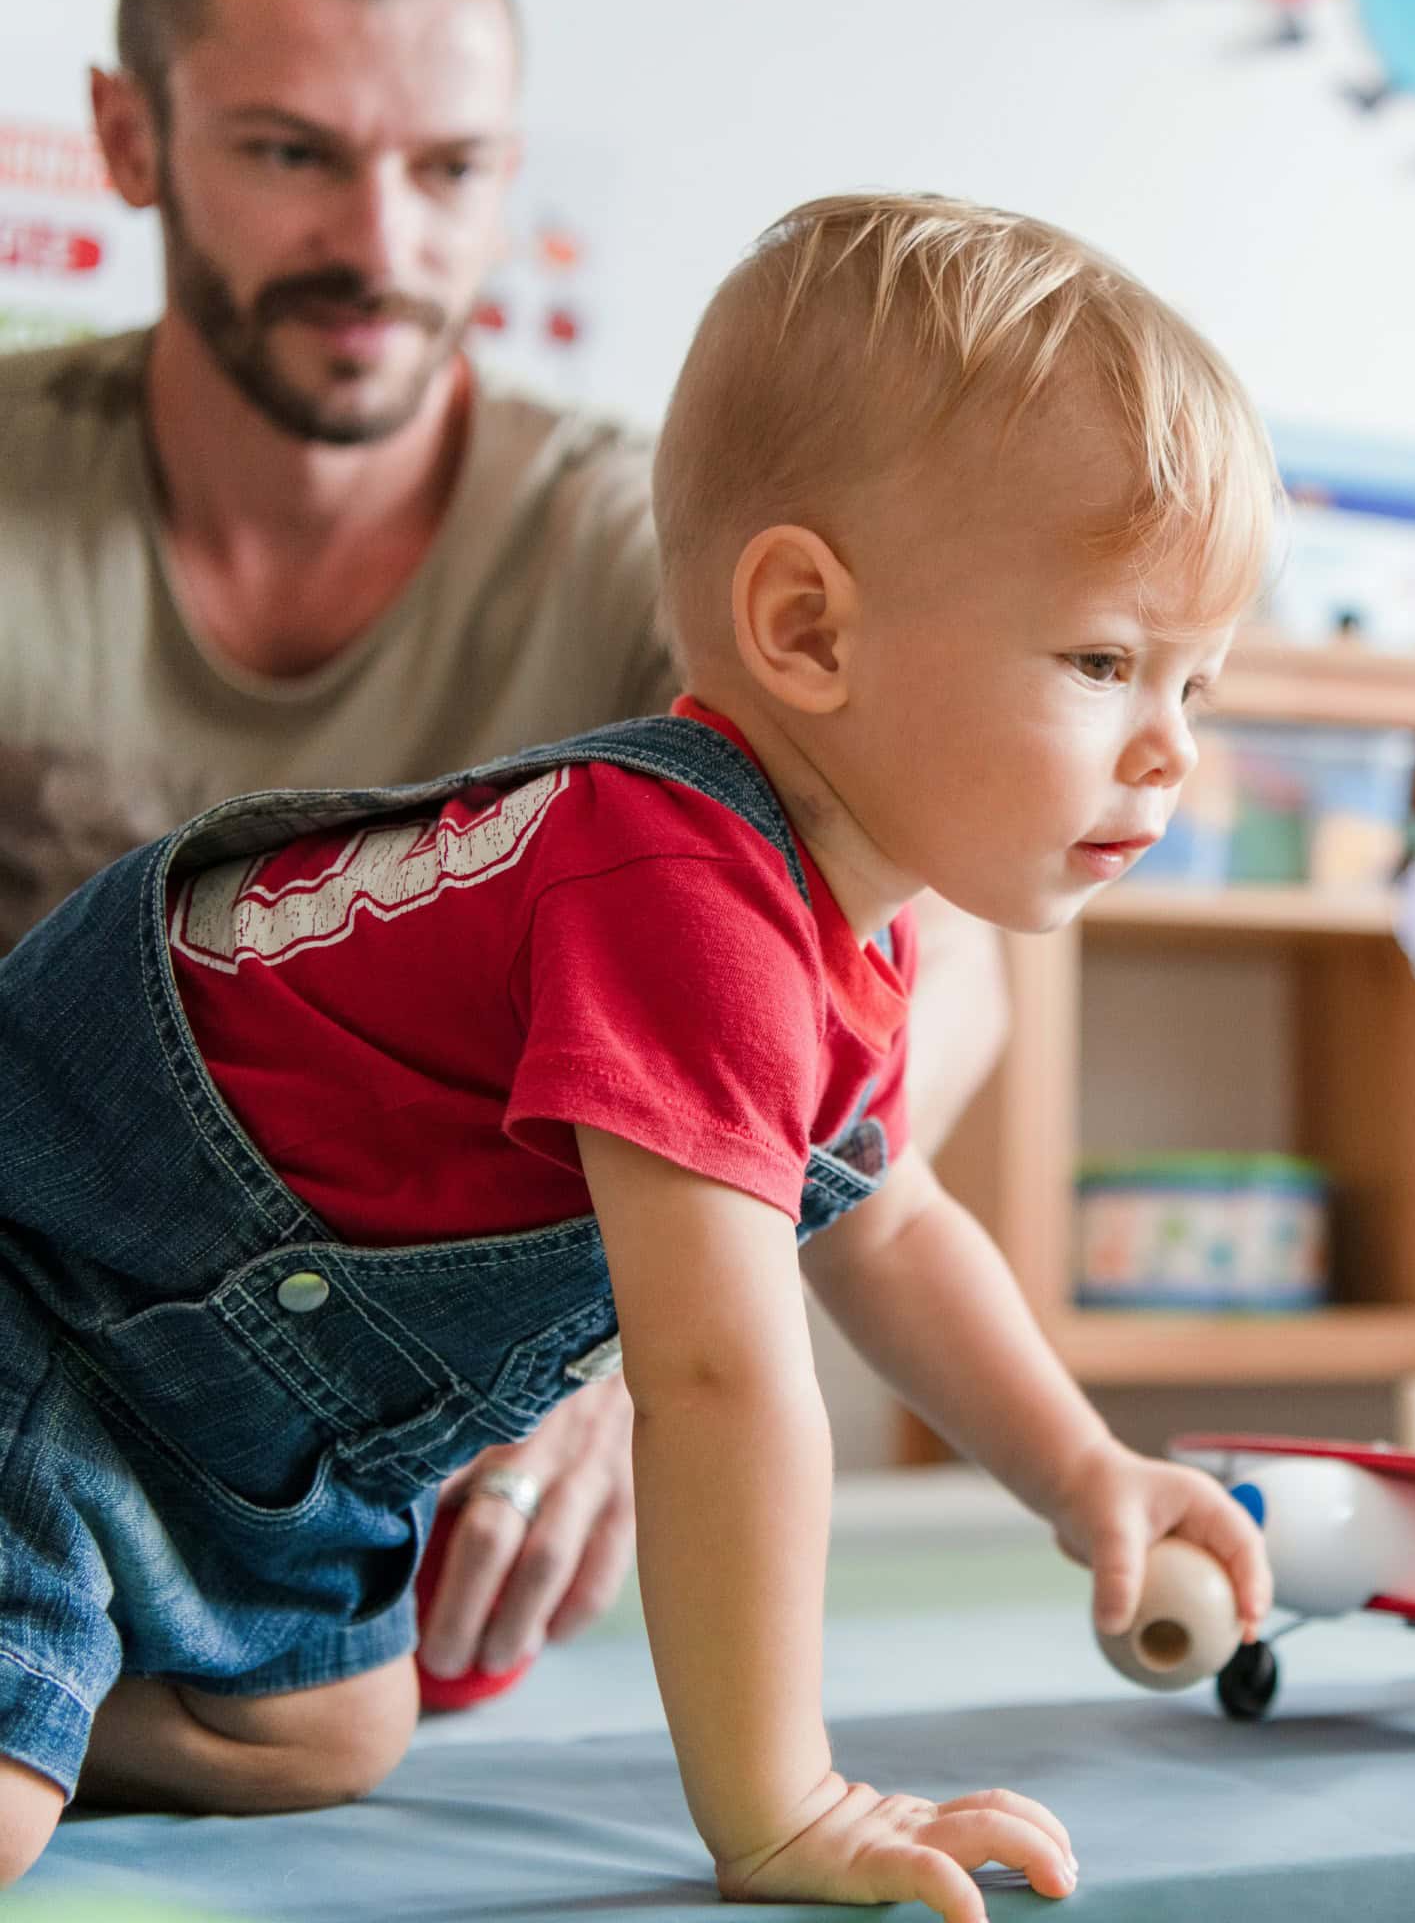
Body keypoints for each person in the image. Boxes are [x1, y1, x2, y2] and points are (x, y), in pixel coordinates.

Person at [0, 191, 1278, 1914]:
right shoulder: (671, 891)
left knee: (331, 1740)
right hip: (47, 1287)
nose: (1168, 752)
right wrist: (785, 1805)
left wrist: (1083, 1472)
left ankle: (61, 1683)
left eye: (1197, 685)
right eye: (1108, 661)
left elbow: (887, 1225)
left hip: (216, 1426)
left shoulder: (852, 924)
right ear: (810, 630)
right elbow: (718, 1383)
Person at [0, 0, 1010, 1701]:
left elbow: (930, 970)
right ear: (133, 138)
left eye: (449, 168)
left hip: (338, 1428)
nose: (379, 247)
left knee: (343, 1724)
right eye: (290, 152)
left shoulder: (663, 552)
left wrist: (632, 1332)